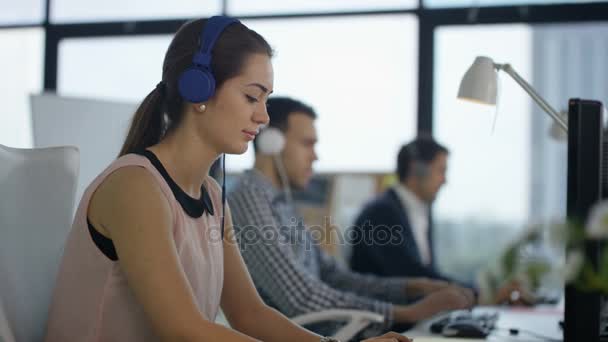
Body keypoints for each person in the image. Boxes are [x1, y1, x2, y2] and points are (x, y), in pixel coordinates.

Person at [44, 16, 409, 342]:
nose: (264, 117)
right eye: (252, 96)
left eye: (266, 100)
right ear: (197, 89)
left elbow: (250, 314)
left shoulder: (214, 198)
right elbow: (184, 329)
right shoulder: (135, 187)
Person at [228, 97, 476, 339]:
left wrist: (413, 287)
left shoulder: (282, 203)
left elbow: (333, 275)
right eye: (307, 143)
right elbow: (302, 298)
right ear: (272, 142)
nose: (315, 156)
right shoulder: (250, 200)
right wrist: (406, 312)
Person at [350, 136, 534, 305]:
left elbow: (426, 276)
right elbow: (413, 277)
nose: (445, 180)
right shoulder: (381, 213)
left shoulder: (413, 210)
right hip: (391, 324)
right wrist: (480, 294)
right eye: (441, 170)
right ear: (417, 169)